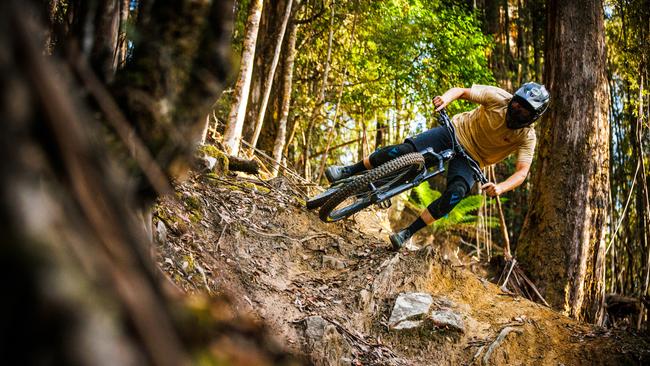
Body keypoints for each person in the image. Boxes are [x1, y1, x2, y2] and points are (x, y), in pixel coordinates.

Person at [324, 82, 550, 250]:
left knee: (455, 195)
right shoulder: (498, 97)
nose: (517, 108)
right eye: (517, 102)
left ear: (533, 116)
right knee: (402, 152)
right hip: (454, 132)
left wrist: (500, 187)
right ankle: (349, 170)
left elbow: (521, 173)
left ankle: (406, 233)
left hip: (473, 159)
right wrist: (445, 99)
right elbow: (462, 91)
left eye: (525, 109)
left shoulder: (527, 137)